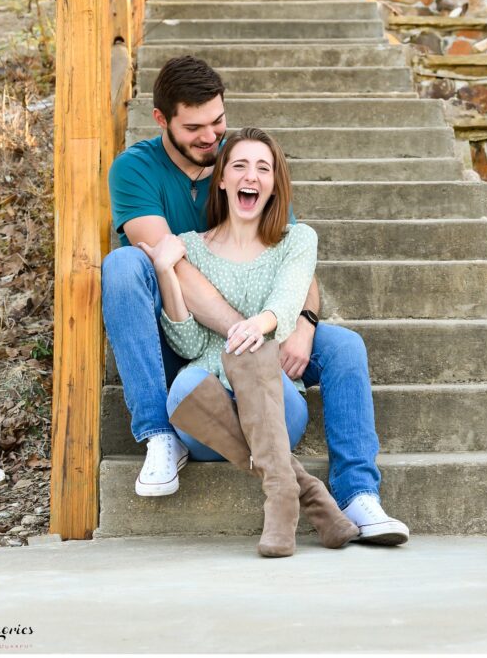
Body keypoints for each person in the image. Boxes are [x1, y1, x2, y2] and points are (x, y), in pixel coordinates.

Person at [103, 54, 409, 545]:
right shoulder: (136, 170)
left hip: (260, 326)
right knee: (123, 265)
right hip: (185, 331)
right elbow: (175, 265)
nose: (211, 137)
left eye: (218, 121)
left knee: (344, 347)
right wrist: (250, 335)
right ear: (161, 120)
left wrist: (301, 325)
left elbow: (292, 258)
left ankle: (356, 493)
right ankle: (160, 433)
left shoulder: (242, 160)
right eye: (195, 127)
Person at [139, 127, 359, 557]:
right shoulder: (188, 248)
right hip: (207, 416)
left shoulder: (297, 240)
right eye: (240, 165)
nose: (251, 176)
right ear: (221, 179)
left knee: (254, 353)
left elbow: (289, 299)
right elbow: (185, 344)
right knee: (183, 387)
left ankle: (282, 494)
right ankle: (302, 491)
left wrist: (257, 326)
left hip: (277, 400)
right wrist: (166, 271)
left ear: (275, 184)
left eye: (264, 168)